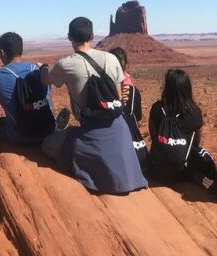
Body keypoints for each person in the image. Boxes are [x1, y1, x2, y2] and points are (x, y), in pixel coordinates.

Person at [40, 16, 148, 195]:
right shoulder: (111, 59)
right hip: (120, 132)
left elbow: (45, 80)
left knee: (48, 145)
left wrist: (43, 67)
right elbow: (118, 99)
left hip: (91, 134)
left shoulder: (66, 64)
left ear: (69, 37)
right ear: (92, 36)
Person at [0, 32, 65, 153]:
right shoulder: (39, 70)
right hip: (48, 131)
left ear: (2, 52)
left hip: (21, 136)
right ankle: (57, 127)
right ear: (21, 51)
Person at [148, 69, 216, 184]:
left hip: (157, 170)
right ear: (187, 88)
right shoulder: (194, 112)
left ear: (167, 88)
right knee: (204, 154)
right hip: (182, 174)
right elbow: (196, 142)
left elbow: (153, 135)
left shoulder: (157, 108)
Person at [110, 47, 142, 123]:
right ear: (125, 65)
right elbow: (138, 117)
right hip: (129, 128)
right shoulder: (134, 92)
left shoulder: (101, 89)